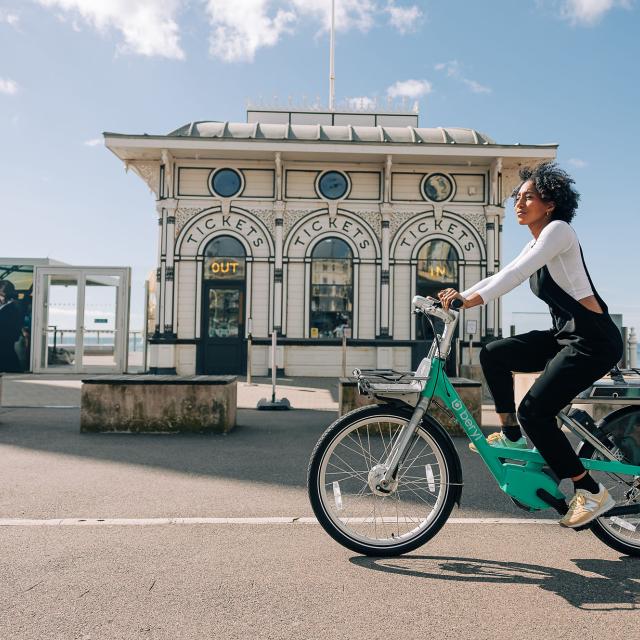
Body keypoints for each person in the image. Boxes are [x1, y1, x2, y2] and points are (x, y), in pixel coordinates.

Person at [438, 162, 623, 528]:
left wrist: (470, 301)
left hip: (593, 340)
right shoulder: (536, 241)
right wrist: (458, 295)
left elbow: (514, 276)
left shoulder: (559, 231)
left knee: (535, 411)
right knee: (494, 353)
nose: (519, 204)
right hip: (565, 337)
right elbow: (501, 274)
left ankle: (590, 491)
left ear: (550, 203)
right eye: (517, 198)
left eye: (529, 197)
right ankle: (513, 437)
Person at [0, 280, 23, 373]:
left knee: (7, 355)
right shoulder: (11, 305)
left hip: (5, 336)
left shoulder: (11, 307)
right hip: (8, 337)